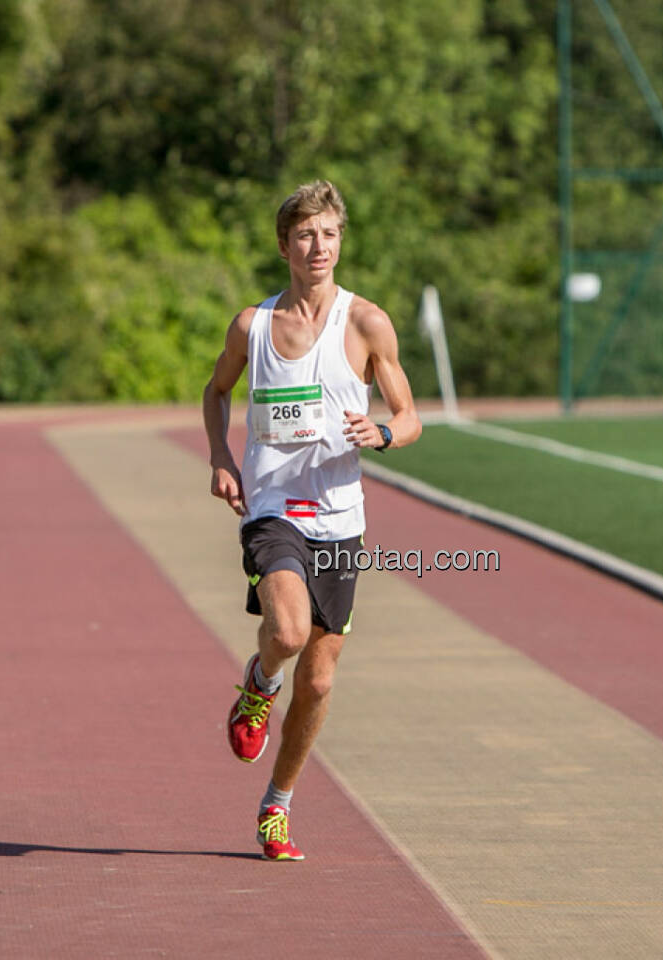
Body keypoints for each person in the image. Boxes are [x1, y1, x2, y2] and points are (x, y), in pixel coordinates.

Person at [201, 180, 421, 861]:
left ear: (340, 240)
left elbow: (410, 416)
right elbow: (216, 391)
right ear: (284, 245)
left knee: (321, 681)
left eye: (328, 233)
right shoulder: (254, 326)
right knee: (289, 632)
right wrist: (220, 458)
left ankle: (278, 803)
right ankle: (259, 685)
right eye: (305, 235)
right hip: (271, 509)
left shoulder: (368, 324)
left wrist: (382, 434)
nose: (317, 246)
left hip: (340, 517)